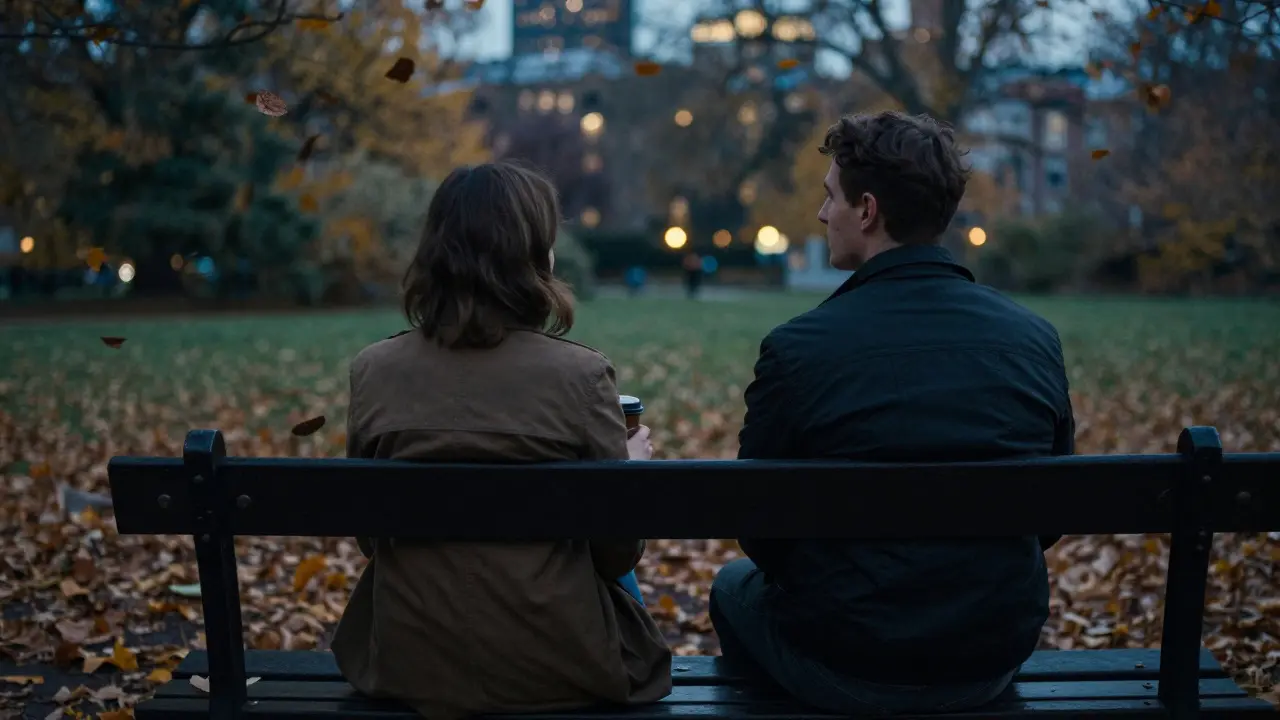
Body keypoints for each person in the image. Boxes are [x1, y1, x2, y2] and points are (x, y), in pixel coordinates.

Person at [711, 111, 1074, 714]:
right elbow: (1049, 517)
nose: (824, 214)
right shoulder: (1033, 339)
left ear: (868, 210)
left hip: (849, 661)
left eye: (831, 198)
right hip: (989, 654)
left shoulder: (800, 348)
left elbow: (760, 528)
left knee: (731, 587)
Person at [332, 162, 672, 719]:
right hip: (561, 662)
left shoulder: (374, 371)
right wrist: (628, 472)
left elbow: (374, 539)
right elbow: (616, 556)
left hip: (408, 661)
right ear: (537, 256)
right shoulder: (582, 378)